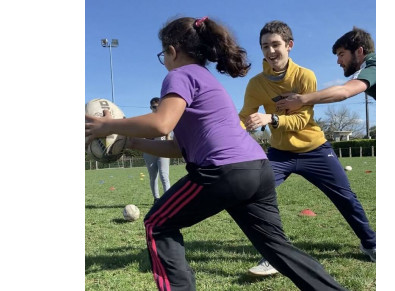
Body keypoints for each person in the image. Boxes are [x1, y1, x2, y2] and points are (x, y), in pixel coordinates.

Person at [85, 16, 346, 291]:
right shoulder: (206, 80)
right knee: (277, 248)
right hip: (257, 168)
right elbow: (178, 148)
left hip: (224, 172)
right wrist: (131, 143)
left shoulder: (179, 75)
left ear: (172, 51)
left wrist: (107, 124)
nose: (165, 61)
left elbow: (161, 123)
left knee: (156, 224)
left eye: (164, 55)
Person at [239, 20, 376, 277]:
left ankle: (371, 243)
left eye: (276, 45)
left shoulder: (305, 76)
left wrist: (272, 118)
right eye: (265, 46)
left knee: (346, 197)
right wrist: (233, 130)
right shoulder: (256, 84)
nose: (270, 51)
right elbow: (244, 115)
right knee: (257, 196)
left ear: (289, 46)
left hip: (315, 150)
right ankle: (274, 255)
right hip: (280, 154)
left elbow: (302, 120)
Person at [276, 26, 375, 112]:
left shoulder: (372, 65)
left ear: (359, 51)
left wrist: (301, 100)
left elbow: (344, 91)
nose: (338, 61)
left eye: (341, 54)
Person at [143, 97, 172, 204]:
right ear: (151, 107)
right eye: (154, 107)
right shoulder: (148, 119)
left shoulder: (166, 118)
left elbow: (168, 133)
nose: (156, 109)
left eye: (158, 106)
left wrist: (168, 140)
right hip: (150, 150)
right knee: (153, 176)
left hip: (163, 149)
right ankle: (156, 199)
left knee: (164, 175)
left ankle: (168, 200)